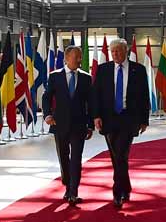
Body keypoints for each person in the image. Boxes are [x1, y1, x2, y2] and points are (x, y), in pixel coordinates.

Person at [90, 37, 149, 208]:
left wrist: (144, 120)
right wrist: (96, 116)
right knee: (117, 157)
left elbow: (144, 96)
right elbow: (96, 94)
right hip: (108, 118)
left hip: (129, 118)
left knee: (121, 153)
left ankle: (117, 192)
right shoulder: (103, 69)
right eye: (112, 51)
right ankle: (126, 187)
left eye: (118, 51)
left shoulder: (138, 70)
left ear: (126, 51)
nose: (114, 54)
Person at [42, 46, 93, 206]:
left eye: (80, 56)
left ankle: (73, 192)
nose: (79, 60)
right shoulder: (55, 76)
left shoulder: (86, 78)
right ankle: (67, 184)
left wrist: (90, 125)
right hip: (59, 124)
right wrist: (47, 115)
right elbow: (46, 97)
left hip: (79, 125)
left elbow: (90, 103)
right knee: (64, 158)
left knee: (76, 159)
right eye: (76, 57)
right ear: (66, 58)